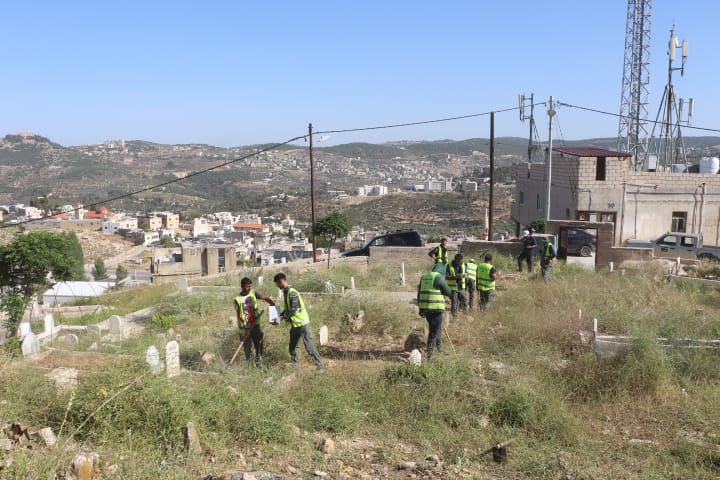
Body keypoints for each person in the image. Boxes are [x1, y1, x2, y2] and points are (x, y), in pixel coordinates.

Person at [273, 272, 325, 371]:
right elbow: (288, 309)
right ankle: (295, 367)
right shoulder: (286, 292)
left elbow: (293, 310)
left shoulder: (292, 292)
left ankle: (321, 366)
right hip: (295, 325)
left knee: (309, 347)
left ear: (281, 281)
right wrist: (279, 316)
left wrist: (281, 318)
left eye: (277, 284)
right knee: (292, 348)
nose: (277, 286)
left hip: (302, 324)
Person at [233, 277, 275, 368]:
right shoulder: (237, 299)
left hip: (255, 326)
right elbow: (238, 316)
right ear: (242, 286)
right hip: (244, 328)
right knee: (247, 350)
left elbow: (264, 297)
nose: (250, 288)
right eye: (247, 286)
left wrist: (270, 302)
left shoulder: (253, 293)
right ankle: (249, 368)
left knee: (259, 345)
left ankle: (259, 365)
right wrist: (244, 330)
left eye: (250, 286)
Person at [417, 263, 452, 359]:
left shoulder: (425, 277)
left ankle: (439, 347)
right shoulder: (438, 277)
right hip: (435, 308)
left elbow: (419, 293)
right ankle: (430, 356)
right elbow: (448, 292)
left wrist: (421, 309)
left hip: (425, 308)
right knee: (433, 331)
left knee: (437, 328)